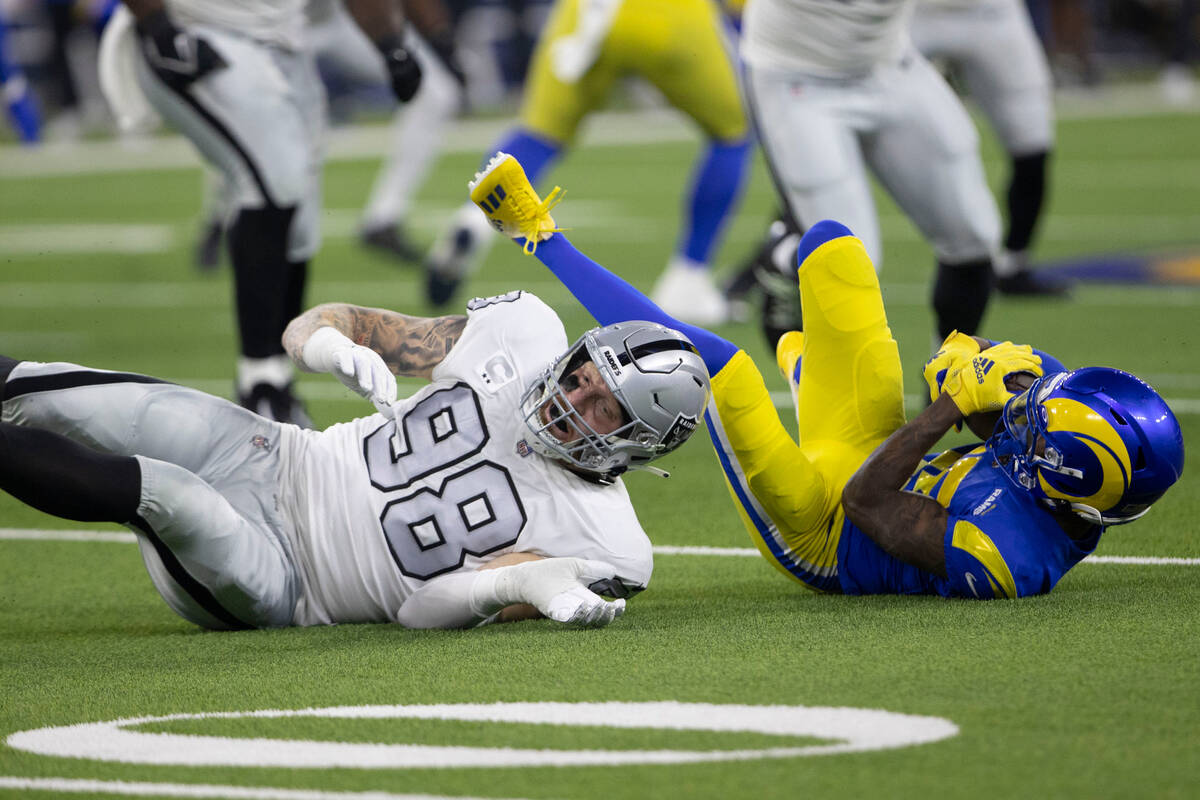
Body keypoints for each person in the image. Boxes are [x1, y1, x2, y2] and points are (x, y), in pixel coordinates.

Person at [467, 152, 1186, 598]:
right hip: (878, 451)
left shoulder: (1010, 561)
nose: (1033, 417)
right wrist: (975, 373)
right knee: (832, 248)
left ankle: (537, 234)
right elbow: (974, 377)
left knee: (712, 367)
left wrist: (946, 410)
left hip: (826, 528)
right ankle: (798, 348)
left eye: (1039, 430)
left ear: (1056, 479)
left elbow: (869, 504)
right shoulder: (1068, 467)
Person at [0, 289, 711, 629]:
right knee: (55, 391)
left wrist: (512, 587)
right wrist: (331, 350)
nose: (572, 396)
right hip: (277, 454)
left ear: (643, 442)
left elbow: (420, 609)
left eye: (603, 408)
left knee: (167, 494)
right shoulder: (523, 336)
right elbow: (330, 318)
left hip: (287, 577)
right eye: (583, 373)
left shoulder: (604, 545)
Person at [101, 0, 425, 426]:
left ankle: (277, 383)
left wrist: (391, 45)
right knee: (275, 182)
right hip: (201, 28)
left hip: (284, 43)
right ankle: (260, 384)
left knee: (300, 216)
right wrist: (159, 25)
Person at [423, 0, 753, 325]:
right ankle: (689, 276)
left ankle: (474, 221)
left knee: (539, 133)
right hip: (671, 15)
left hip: (586, 15)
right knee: (733, 133)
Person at [738, 0, 1005, 346]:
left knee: (974, 238)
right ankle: (786, 257)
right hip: (797, 76)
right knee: (849, 267)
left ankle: (950, 378)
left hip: (889, 65)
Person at [911, 0, 1067, 296]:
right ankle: (811, 258)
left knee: (1033, 143)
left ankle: (1014, 264)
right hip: (914, 13)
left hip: (992, 13)